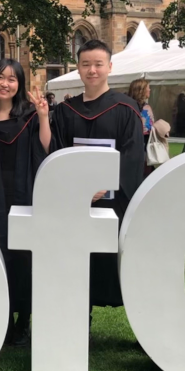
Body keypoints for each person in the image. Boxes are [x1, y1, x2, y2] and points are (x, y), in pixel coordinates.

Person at [51, 39, 145, 309]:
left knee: (118, 260)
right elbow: (59, 152)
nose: (92, 70)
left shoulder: (126, 108)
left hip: (114, 201)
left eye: (98, 64)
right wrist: (78, 189)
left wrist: (106, 184)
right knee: (77, 259)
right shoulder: (66, 111)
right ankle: (82, 318)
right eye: (86, 64)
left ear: (110, 67)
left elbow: (132, 155)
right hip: (76, 203)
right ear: (78, 69)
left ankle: (140, 320)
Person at [0, 59, 51, 345]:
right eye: (0, 77)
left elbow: (44, 148)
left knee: (23, 257)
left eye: (12, 79)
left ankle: (23, 321)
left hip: (23, 192)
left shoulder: (29, 115)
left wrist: (43, 117)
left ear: (19, 85)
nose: (5, 83)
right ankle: (0, 319)